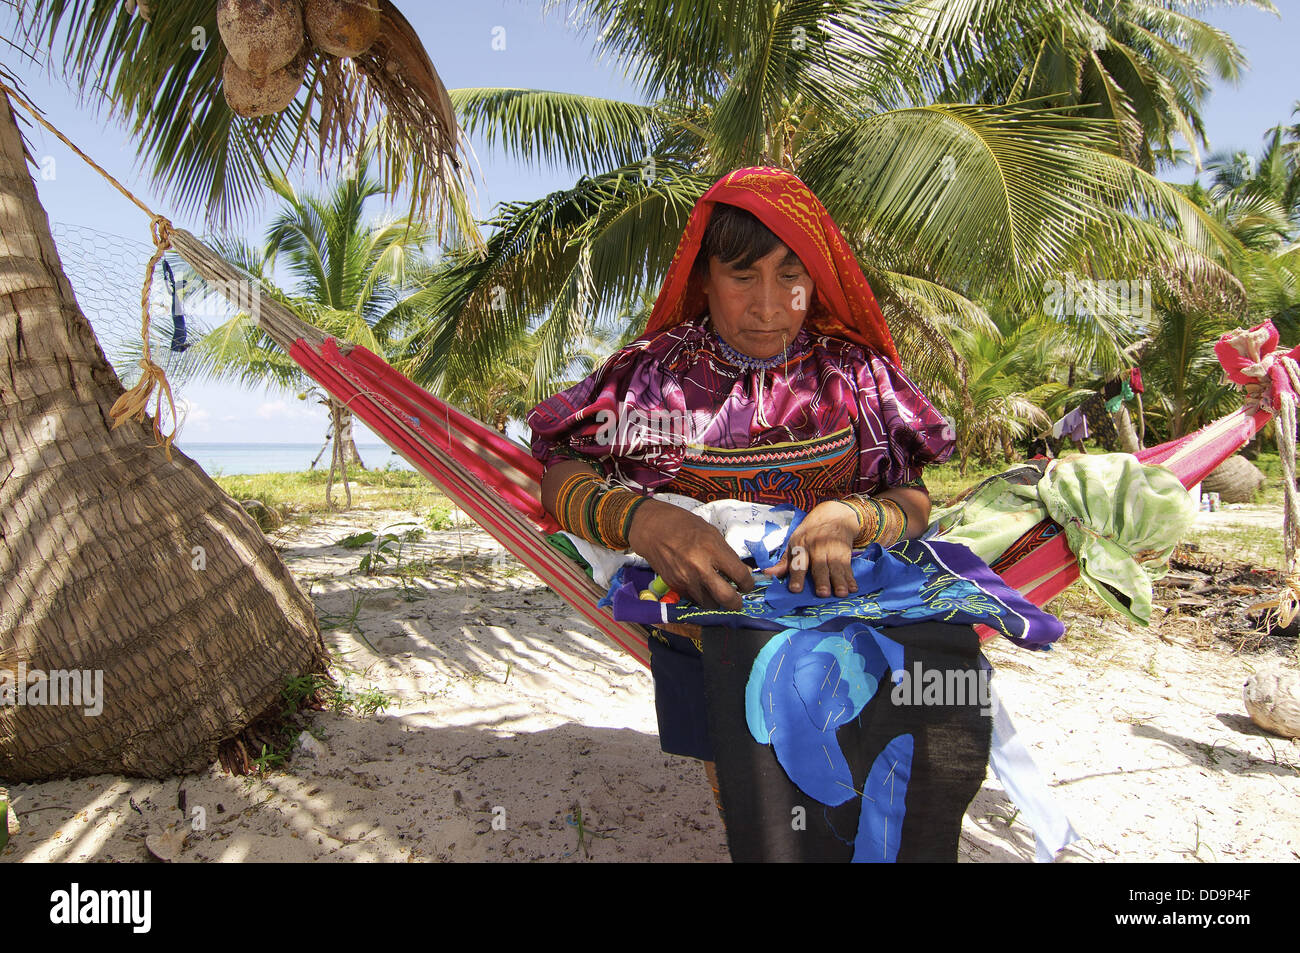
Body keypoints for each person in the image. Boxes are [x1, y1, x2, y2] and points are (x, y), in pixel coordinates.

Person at [528, 167, 996, 862]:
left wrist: (847, 518)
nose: (770, 305)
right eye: (742, 275)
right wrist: (645, 523)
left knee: (935, 672)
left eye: (790, 276)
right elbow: (562, 464)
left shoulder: (854, 376)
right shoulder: (655, 376)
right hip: (721, 609)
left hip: (846, 584)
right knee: (755, 669)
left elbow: (912, 496)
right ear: (704, 278)